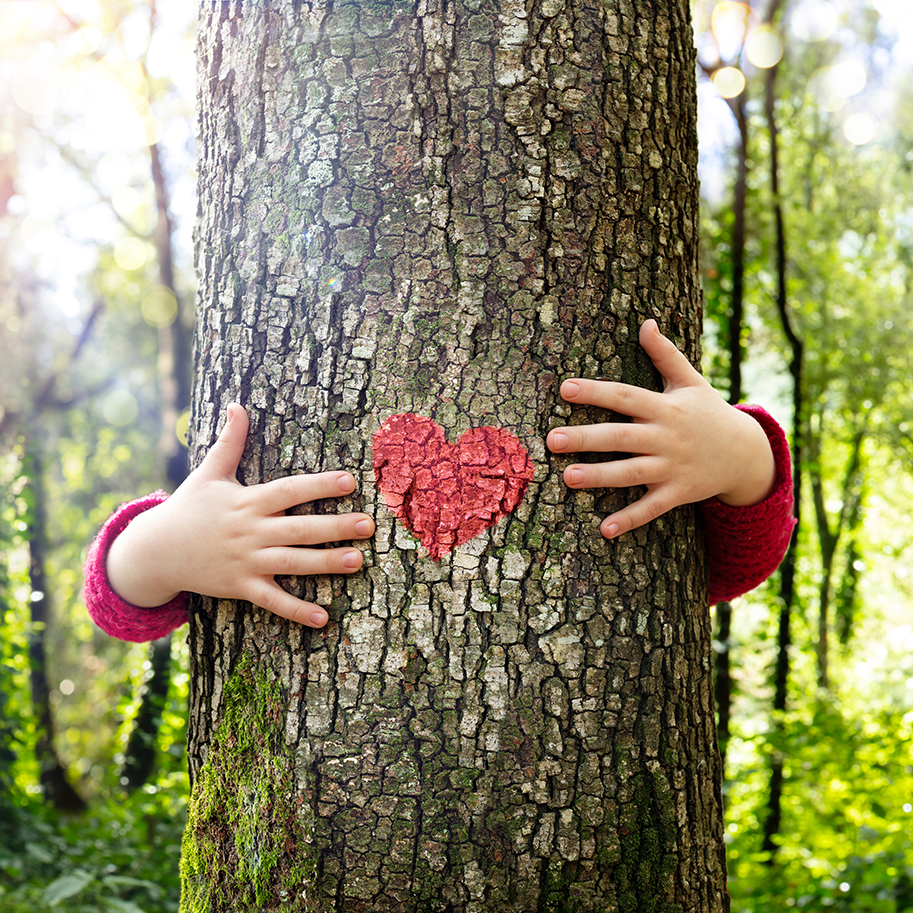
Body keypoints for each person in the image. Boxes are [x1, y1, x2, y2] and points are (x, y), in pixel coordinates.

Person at [84, 320, 795, 643]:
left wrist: (739, 451)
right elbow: (116, 599)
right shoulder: (217, 529)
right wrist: (164, 547)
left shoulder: (671, 465)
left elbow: (733, 565)